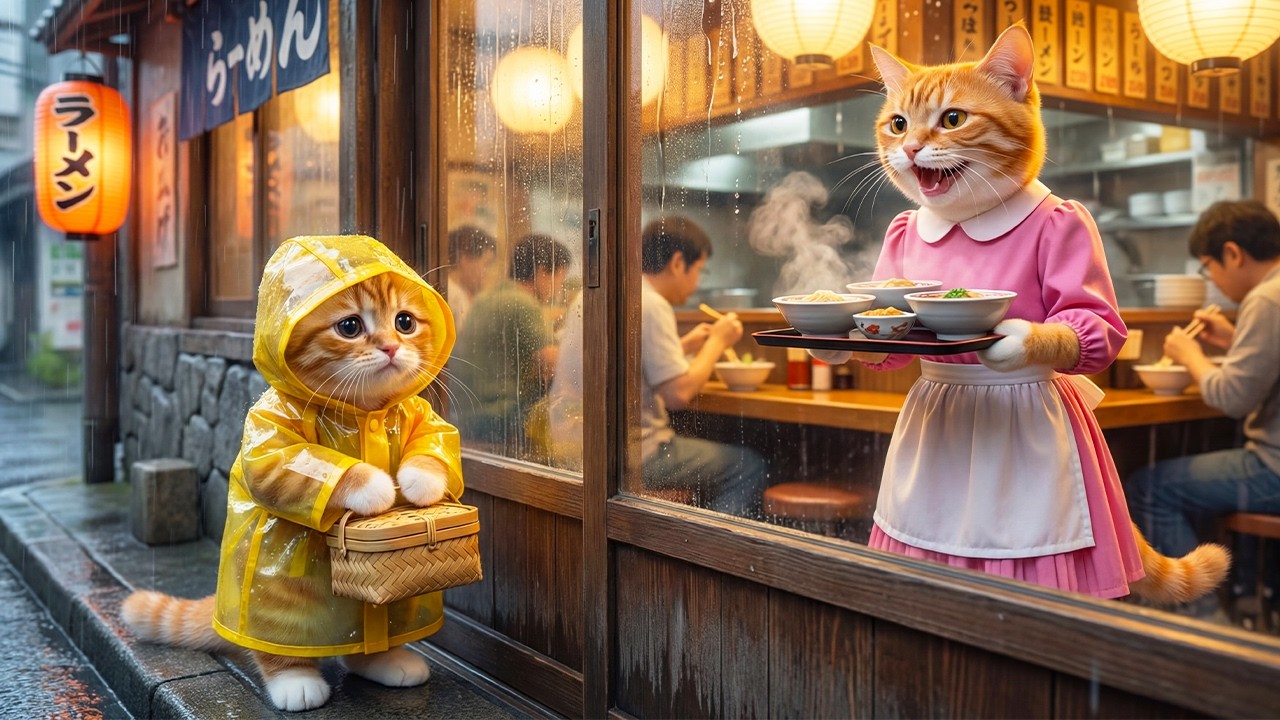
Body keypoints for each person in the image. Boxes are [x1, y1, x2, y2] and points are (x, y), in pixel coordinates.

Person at [548, 216, 768, 515]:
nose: (697, 282)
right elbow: (679, 394)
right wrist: (718, 341)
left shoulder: (606, 293)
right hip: (629, 453)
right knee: (748, 466)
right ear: (678, 263)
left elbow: (628, 361)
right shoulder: (651, 303)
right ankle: (706, 550)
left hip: (574, 442)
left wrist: (686, 345)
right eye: (699, 270)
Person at [1127, 199, 1280, 586]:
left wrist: (1190, 355)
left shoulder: (1266, 299)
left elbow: (1232, 399)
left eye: (1208, 267)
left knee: (1149, 488)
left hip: (1274, 470)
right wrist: (1233, 342)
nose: (1212, 279)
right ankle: (1243, 592)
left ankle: (1201, 618)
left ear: (1233, 253)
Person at [452, 233, 572, 454]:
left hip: (464, 415)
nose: (560, 288)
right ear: (542, 271)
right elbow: (554, 365)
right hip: (497, 418)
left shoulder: (488, 297)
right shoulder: (523, 304)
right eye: (561, 278)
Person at [447, 225, 499, 329]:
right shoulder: (455, 297)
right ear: (464, 259)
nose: (486, 273)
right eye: (486, 264)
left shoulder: (450, 290)